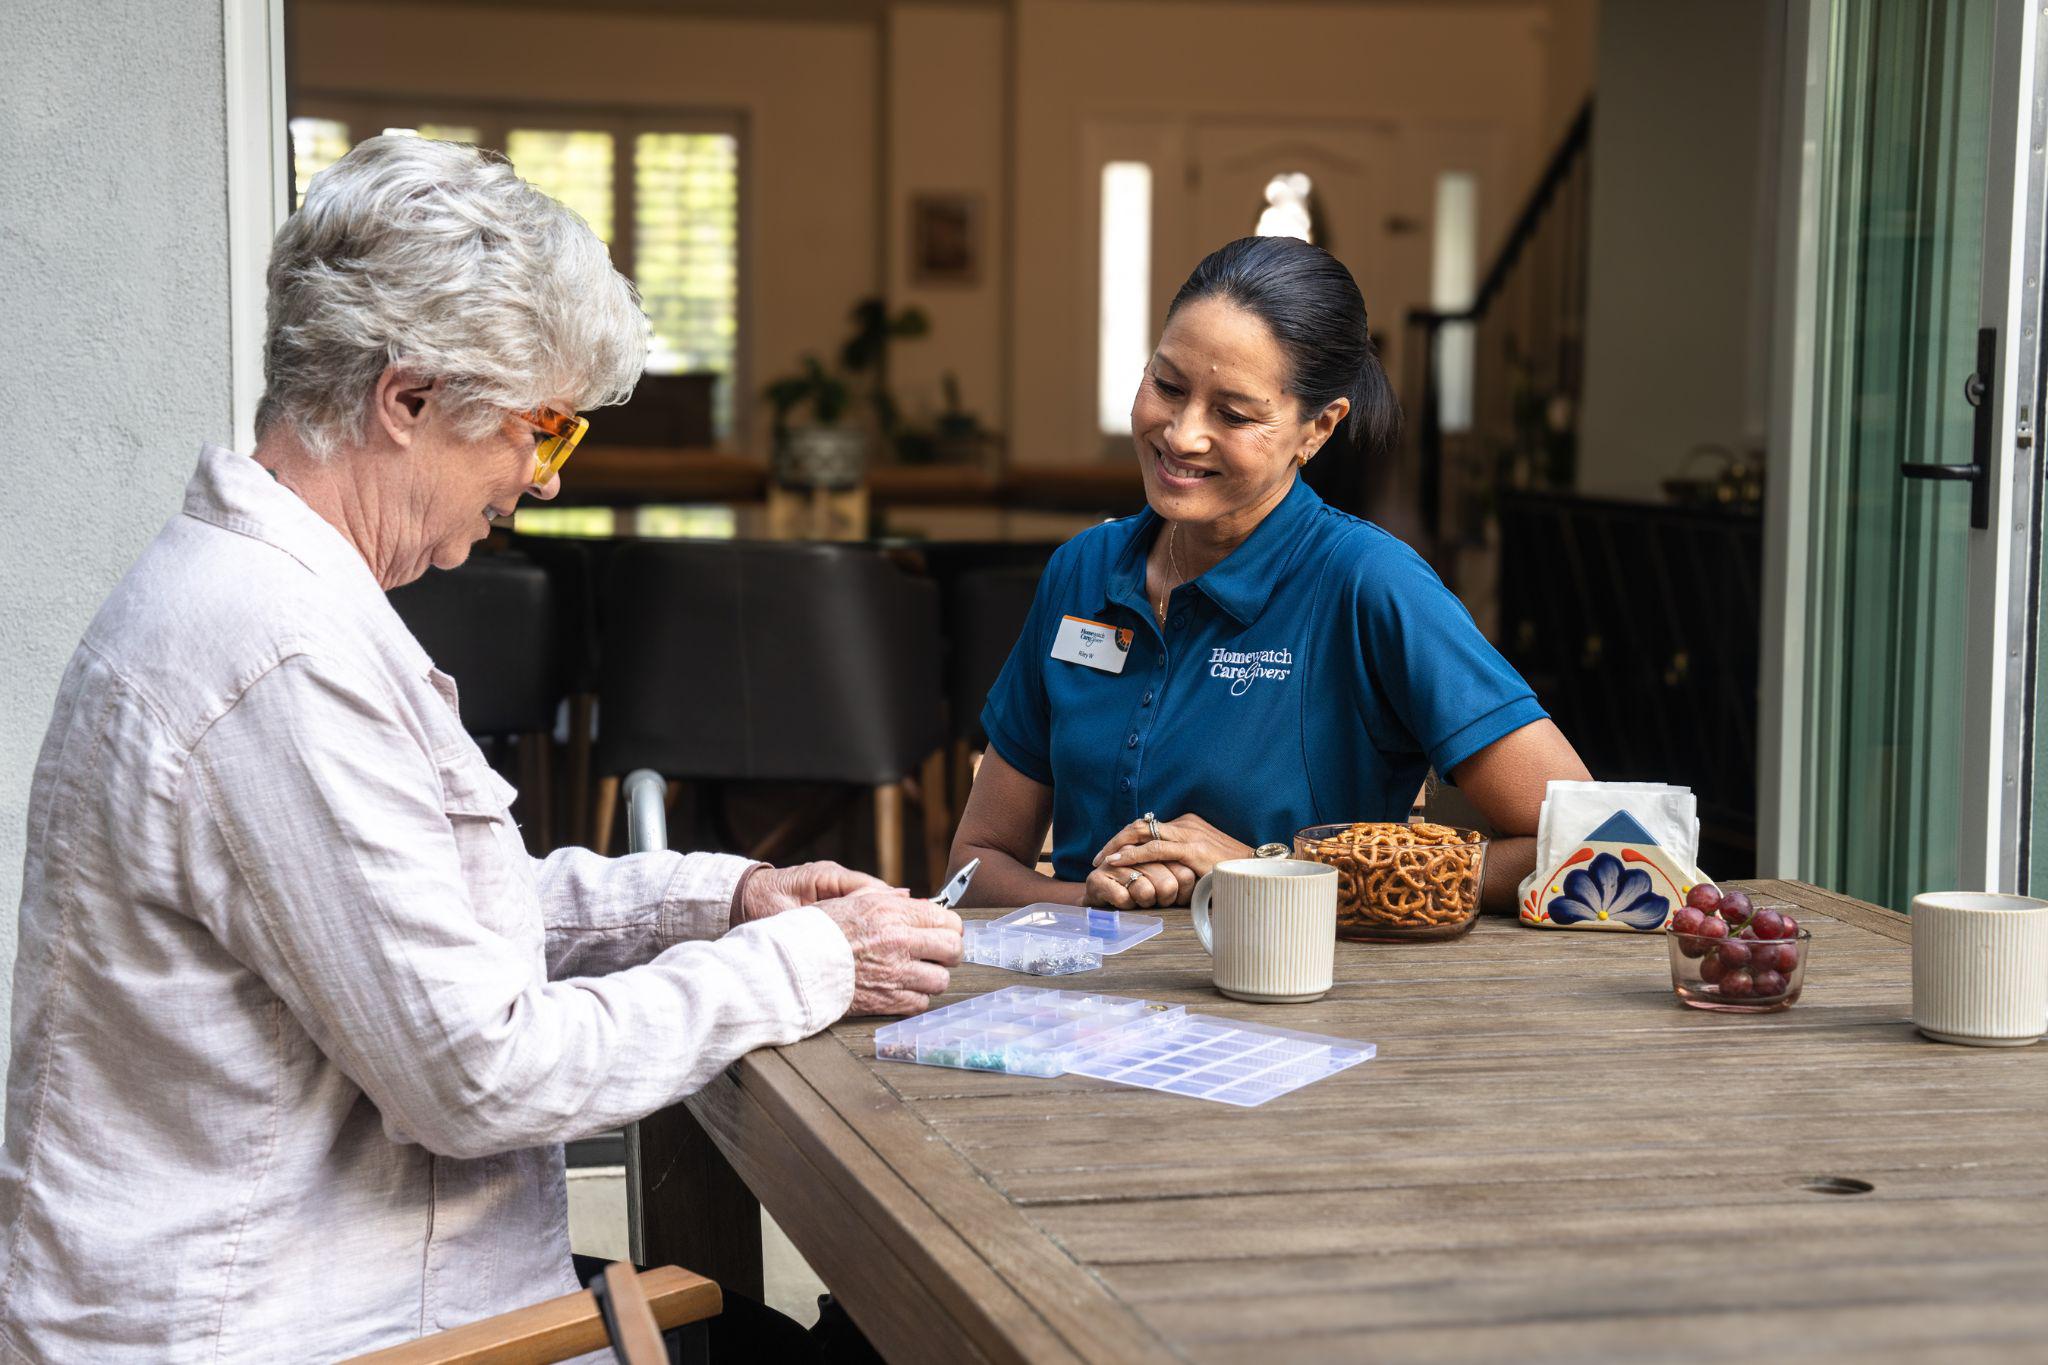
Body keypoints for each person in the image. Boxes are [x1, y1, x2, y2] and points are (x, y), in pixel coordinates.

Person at [0, 135, 960, 1362]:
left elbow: (419, 922)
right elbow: (477, 1073)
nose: (539, 481)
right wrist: (807, 963)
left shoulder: (257, 603)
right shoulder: (276, 657)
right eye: (538, 430)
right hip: (306, 1329)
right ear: (405, 402)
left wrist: (723, 898)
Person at [950, 235, 1589, 911]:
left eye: (1234, 414)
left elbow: (1586, 845)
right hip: (1082, 1009)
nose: (1182, 434)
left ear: (1318, 429)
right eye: (1166, 384)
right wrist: (1092, 903)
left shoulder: (1368, 585)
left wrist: (1268, 873)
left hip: (1302, 1006)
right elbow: (975, 860)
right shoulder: (1083, 571)